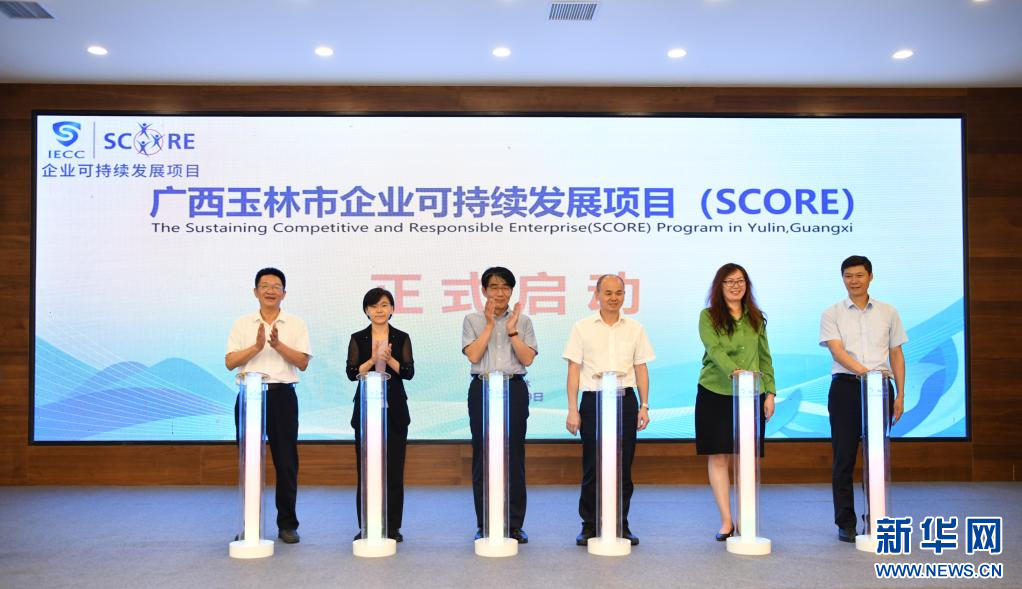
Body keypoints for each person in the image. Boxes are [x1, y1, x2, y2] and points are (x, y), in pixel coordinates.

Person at [819, 255, 907, 543]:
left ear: (870, 276)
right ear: (842, 279)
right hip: (846, 389)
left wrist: (900, 394)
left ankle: (876, 517)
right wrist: (867, 374)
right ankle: (845, 523)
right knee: (844, 457)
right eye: (848, 276)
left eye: (859, 275)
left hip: (881, 389)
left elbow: (896, 353)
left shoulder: (888, 312)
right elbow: (837, 351)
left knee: (876, 458)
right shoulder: (832, 313)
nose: (854, 281)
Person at [564, 273, 654, 546]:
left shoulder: (635, 328)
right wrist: (572, 409)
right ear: (597, 296)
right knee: (592, 466)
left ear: (624, 295)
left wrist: (644, 405)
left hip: (625, 401)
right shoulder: (582, 327)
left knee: (623, 466)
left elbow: (641, 368)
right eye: (608, 293)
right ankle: (589, 525)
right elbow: (574, 369)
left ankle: (620, 524)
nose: (614, 298)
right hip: (593, 401)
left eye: (619, 293)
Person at [226, 267, 312, 544]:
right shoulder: (242, 323)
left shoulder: (296, 323)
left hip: (282, 396)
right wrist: (255, 347)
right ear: (255, 292)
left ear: (284, 293)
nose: (270, 290)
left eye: (276, 286)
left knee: (286, 462)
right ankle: (249, 525)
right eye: (265, 286)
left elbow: (302, 362)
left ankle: (287, 524)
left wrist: (277, 345)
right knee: (249, 461)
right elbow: (230, 362)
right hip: (250, 397)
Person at [696, 263, 776, 542]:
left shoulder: (757, 318)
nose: (735, 286)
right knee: (718, 456)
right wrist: (735, 372)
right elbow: (714, 349)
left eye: (740, 281)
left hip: (750, 395)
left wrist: (770, 392)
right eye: (729, 281)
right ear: (719, 286)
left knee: (746, 458)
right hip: (715, 391)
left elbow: (765, 357)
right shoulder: (708, 316)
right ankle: (726, 520)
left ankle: (745, 519)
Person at [462, 266, 537, 543]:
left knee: (513, 455)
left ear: (512, 291)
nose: (500, 293)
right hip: (482, 388)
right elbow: (473, 355)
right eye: (494, 287)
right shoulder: (471, 319)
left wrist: (512, 331)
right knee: (483, 456)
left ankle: (514, 524)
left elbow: (527, 359)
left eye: (505, 287)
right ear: (484, 291)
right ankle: (485, 523)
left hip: (513, 388)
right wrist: (490, 324)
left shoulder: (523, 321)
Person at [346, 287, 414, 543]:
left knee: (394, 471)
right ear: (366, 311)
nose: (379, 310)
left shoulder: (402, 337)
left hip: (394, 410)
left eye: (384, 305)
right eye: (374, 306)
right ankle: (366, 525)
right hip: (366, 411)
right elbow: (352, 373)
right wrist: (373, 359)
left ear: (392, 309)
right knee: (366, 470)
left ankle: (393, 527)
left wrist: (390, 359)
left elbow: (408, 372)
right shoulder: (358, 338)